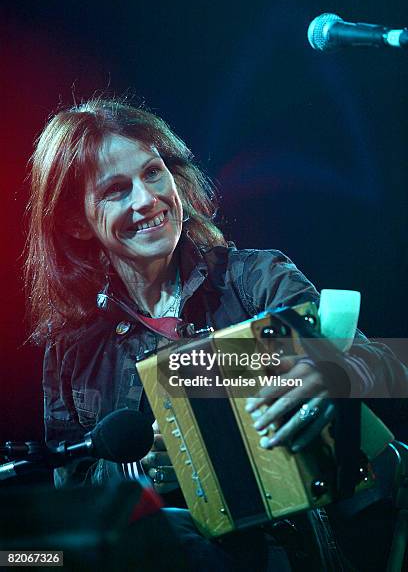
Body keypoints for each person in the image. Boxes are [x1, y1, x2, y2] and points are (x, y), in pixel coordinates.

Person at [24, 98, 407, 570]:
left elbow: (393, 366)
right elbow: (70, 494)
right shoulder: (72, 350)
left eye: (153, 173)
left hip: (296, 547)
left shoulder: (257, 279)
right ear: (75, 223)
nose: (147, 199)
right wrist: (136, 470)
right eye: (116, 190)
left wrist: (333, 372)